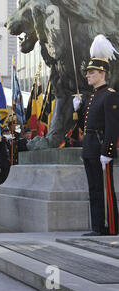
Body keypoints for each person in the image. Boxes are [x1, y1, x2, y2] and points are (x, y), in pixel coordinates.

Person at [73, 35, 119, 236]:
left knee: (106, 189)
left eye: (91, 72)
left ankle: (113, 227)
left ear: (103, 73)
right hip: (90, 146)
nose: (88, 75)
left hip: (101, 147)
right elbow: (85, 123)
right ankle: (98, 227)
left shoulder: (110, 95)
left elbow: (113, 126)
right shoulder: (92, 96)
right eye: (87, 72)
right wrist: (78, 108)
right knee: (93, 188)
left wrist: (108, 151)